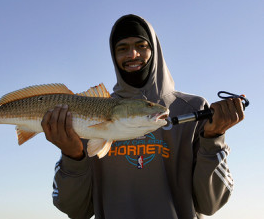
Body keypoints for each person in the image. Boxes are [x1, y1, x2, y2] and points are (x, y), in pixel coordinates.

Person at [41, 14, 245, 219]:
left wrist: (213, 138)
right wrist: (72, 156)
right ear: (113, 55)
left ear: (154, 50)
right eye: (122, 48)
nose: (133, 54)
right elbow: (76, 210)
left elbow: (211, 204)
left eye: (142, 45)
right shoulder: (92, 114)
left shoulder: (193, 108)